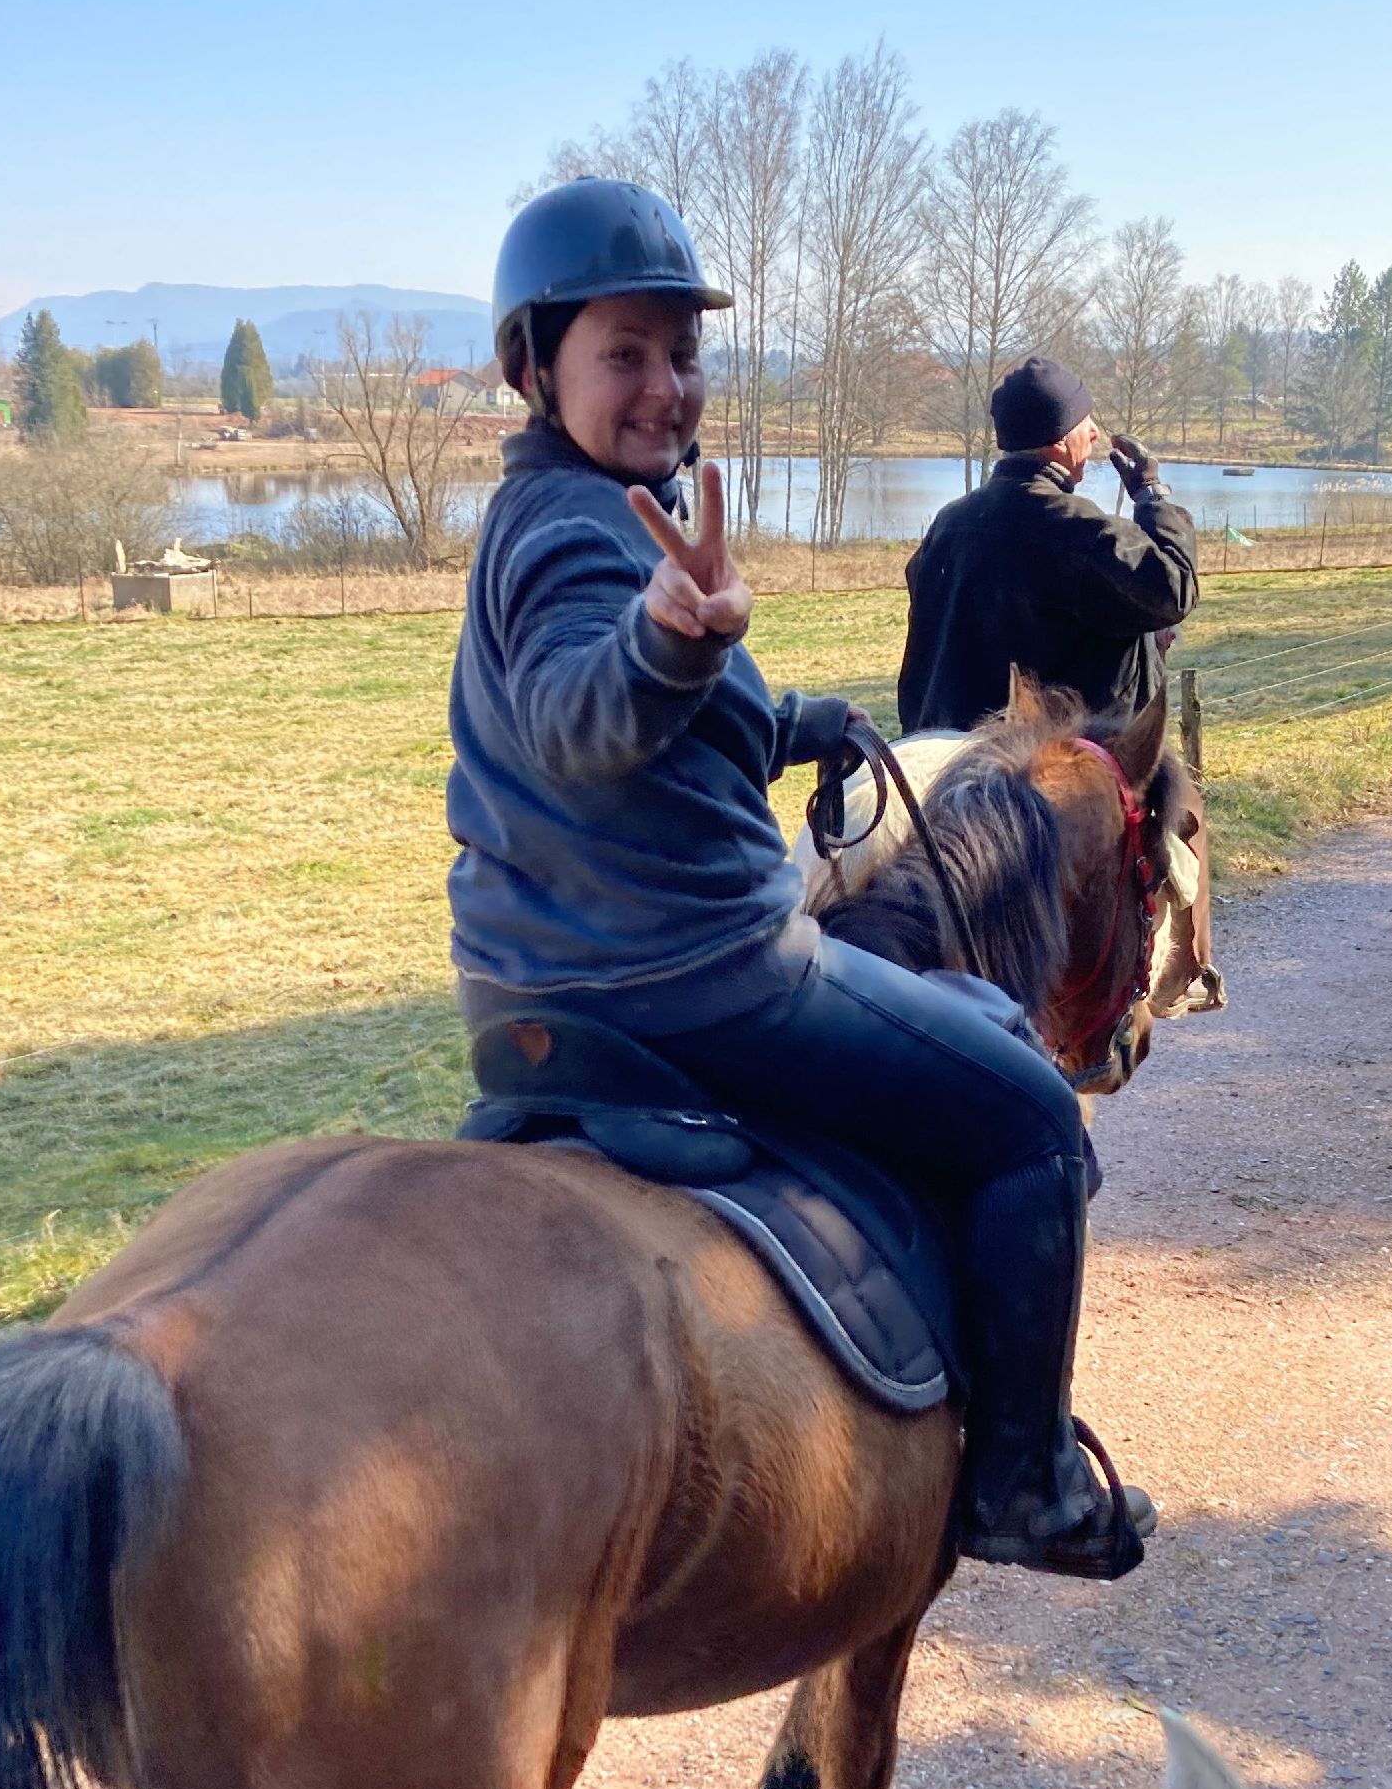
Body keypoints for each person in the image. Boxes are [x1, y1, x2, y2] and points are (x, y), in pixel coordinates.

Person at [445, 178, 1153, 1578]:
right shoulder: (586, 537)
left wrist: (787, 719)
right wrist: (669, 641)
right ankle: (1021, 1483)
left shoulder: (550, 510)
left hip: (533, 984)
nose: (665, 386)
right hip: (701, 977)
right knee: (1026, 1114)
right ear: (533, 366)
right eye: (623, 353)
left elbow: (644, 737)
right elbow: (583, 718)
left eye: (682, 351)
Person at [899, 358, 1220, 1011]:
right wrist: (1153, 497)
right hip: (1046, 758)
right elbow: (1173, 587)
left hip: (938, 743)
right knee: (1183, 804)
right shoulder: (1076, 528)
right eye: (1085, 423)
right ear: (1061, 439)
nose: (1095, 434)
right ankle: (1185, 974)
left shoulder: (949, 524)